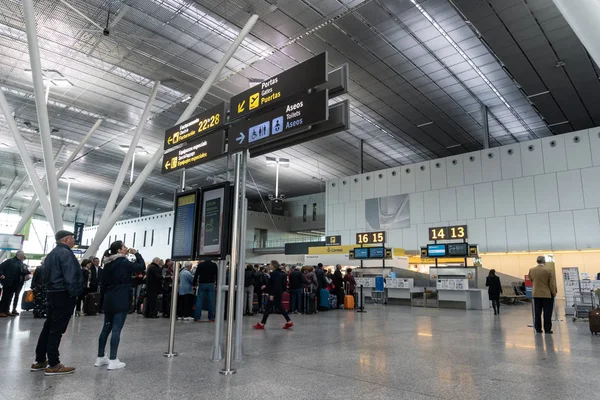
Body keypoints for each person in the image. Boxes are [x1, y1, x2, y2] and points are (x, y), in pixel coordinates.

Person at [31, 230, 83, 376]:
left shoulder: (51, 255)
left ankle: (40, 360)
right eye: (72, 239)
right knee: (57, 329)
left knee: (48, 326)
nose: (74, 241)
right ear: (66, 240)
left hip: (52, 293)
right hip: (63, 294)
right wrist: (75, 293)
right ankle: (54, 363)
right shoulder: (66, 254)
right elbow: (71, 276)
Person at [95, 241, 145, 370]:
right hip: (121, 297)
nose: (126, 248)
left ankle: (100, 357)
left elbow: (103, 283)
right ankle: (113, 359)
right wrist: (137, 253)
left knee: (106, 327)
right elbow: (141, 266)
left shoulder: (107, 263)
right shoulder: (123, 262)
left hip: (109, 298)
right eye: (123, 247)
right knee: (117, 328)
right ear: (119, 250)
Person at [253, 260, 293, 330]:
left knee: (268, 308)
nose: (269, 265)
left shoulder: (274, 274)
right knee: (280, 307)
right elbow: (281, 284)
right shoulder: (282, 273)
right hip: (279, 292)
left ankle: (262, 324)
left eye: (270, 264)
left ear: (273, 265)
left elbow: (275, 284)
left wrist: (272, 294)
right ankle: (289, 321)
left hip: (274, 293)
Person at [528, 256, 557, 334]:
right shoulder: (549, 270)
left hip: (536, 294)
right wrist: (553, 292)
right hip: (547, 294)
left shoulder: (531, 270)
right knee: (547, 313)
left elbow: (531, 279)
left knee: (537, 313)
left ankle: (538, 329)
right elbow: (551, 283)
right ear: (544, 261)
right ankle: (547, 329)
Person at [0, 250, 28, 317]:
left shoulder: (20, 263)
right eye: (23, 255)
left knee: (10, 297)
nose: (23, 256)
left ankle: (6, 310)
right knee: (5, 297)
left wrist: (27, 275)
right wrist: (1, 274)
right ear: (19, 255)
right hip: (8, 282)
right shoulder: (9, 261)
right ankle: (1, 311)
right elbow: (0, 267)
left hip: (15, 283)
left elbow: (24, 271)